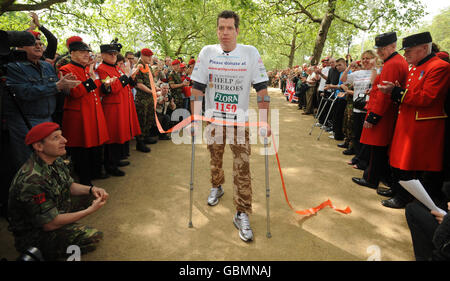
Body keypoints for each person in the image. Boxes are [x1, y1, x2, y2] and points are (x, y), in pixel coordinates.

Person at [190, 10, 270, 242]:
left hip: (239, 123)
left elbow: (263, 90)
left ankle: (241, 212)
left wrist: (264, 121)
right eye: (221, 28)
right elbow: (197, 88)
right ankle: (217, 186)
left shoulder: (250, 53)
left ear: (237, 30)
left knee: (242, 168)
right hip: (214, 120)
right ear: (217, 30)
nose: (225, 33)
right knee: (215, 158)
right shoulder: (207, 52)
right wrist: (195, 118)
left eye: (229, 28)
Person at [7, 122, 108, 260]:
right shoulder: (32, 180)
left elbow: (70, 185)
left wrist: (92, 189)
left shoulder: (55, 159)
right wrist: (89, 211)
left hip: (51, 213)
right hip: (35, 234)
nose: (64, 140)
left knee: (92, 196)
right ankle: (45, 251)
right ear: (38, 146)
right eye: (56, 138)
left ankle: (66, 222)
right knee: (93, 236)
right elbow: (49, 224)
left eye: (62, 136)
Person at [378, 32, 450, 209]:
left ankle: (404, 197)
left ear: (425, 48)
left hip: (423, 125)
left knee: (411, 164)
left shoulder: (439, 67)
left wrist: (395, 92)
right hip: (409, 120)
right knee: (401, 161)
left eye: (409, 50)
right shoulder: (417, 66)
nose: (406, 54)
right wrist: (396, 90)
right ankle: (398, 190)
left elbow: (427, 97)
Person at [4, 32, 79, 173]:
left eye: (40, 44)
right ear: (20, 48)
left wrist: (65, 86)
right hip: (25, 121)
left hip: (47, 119)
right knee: (30, 164)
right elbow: (24, 92)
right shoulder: (13, 67)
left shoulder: (47, 66)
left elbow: (55, 90)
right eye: (34, 44)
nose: (39, 46)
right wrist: (56, 86)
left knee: (50, 160)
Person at [351, 33, 409, 199]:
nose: (380, 51)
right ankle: (374, 176)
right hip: (385, 111)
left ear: (393, 46)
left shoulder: (392, 64)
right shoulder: (395, 62)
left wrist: (374, 116)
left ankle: (371, 179)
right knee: (378, 149)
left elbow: (384, 94)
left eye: (383, 48)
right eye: (379, 48)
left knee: (377, 149)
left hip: (382, 113)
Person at [59, 37, 110, 185]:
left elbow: (97, 93)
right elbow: (74, 93)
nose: (86, 55)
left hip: (92, 113)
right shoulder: (66, 69)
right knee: (81, 151)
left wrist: (101, 83)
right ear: (72, 53)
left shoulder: (87, 70)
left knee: (94, 146)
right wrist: (92, 79)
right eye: (82, 52)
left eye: (87, 52)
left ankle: (95, 172)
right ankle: (85, 180)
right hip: (79, 116)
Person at [96, 42, 142, 176]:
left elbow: (128, 85)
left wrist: (131, 78)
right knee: (113, 137)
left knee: (121, 134)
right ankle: (110, 165)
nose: (113, 56)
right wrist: (125, 77)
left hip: (123, 105)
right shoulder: (102, 69)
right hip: (113, 107)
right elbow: (111, 89)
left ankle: (117, 160)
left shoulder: (117, 68)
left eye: (115, 54)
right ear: (102, 55)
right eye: (110, 54)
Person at [134, 48, 158, 152]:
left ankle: (146, 137)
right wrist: (152, 92)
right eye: (148, 56)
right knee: (141, 120)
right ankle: (140, 142)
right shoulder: (138, 67)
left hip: (149, 98)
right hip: (142, 99)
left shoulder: (148, 67)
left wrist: (156, 89)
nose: (150, 58)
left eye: (151, 56)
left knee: (149, 118)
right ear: (142, 56)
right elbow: (139, 84)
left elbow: (151, 82)